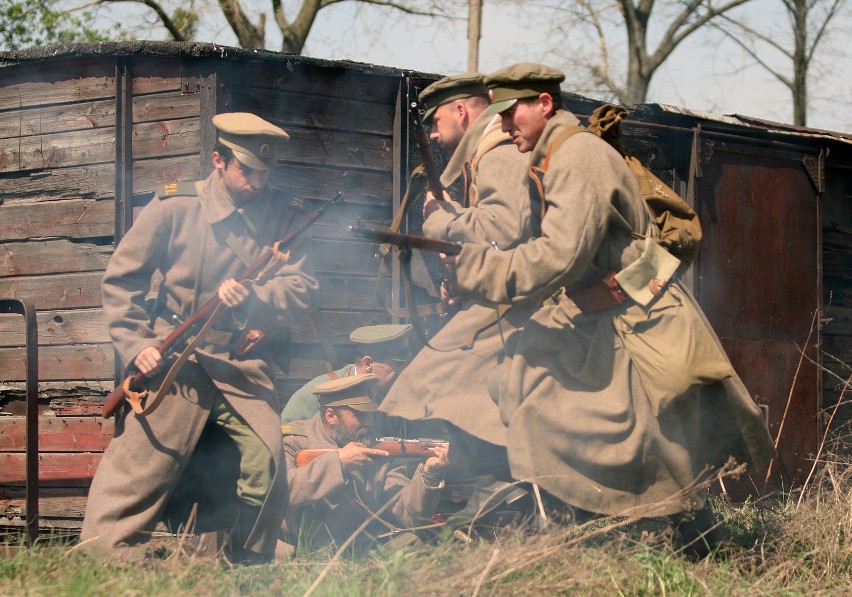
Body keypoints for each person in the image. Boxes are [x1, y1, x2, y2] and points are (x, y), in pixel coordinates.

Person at [441, 64, 776, 543]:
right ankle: (599, 524)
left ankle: (650, 531)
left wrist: (474, 271)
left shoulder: (576, 157)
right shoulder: (553, 155)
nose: (506, 125)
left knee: (646, 440)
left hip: (638, 321)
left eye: (513, 112)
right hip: (605, 314)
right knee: (527, 383)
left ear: (544, 104)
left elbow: (559, 254)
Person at [81, 112, 318, 564]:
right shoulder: (175, 207)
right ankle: (103, 554)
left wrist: (253, 298)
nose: (256, 182)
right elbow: (121, 281)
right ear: (218, 160)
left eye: (264, 173)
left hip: (240, 363)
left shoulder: (287, 217)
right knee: (143, 461)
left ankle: (245, 561)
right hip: (178, 360)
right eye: (246, 170)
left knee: (268, 459)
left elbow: (302, 287)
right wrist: (138, 345)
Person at [379, 73, 538, 483]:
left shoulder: (497, 152)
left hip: (528, 302)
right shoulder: (480, 156)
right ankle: (497, 492)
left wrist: (440, 218)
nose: (432, 135)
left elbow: (503, 229)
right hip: (509, 296)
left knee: (446, 378)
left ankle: (498, 492)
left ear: (462, 111)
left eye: (435, 122)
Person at [279, 374, 449, 556]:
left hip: (357, 545)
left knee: (420, 543)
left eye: (370, 415)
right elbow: (280, 492)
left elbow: (406, 513)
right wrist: (338, 463)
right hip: (303, 546)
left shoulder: (372, 443)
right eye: (359, 415)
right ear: (331, 416)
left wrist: (429, 475)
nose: (368, 422)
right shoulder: (294, 442)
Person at [280, 323, 413, 425]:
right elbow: (287, 444)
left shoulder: (390, 394)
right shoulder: (315, 395)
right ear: (368, 363)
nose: (404, 371)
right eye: (398, 364)